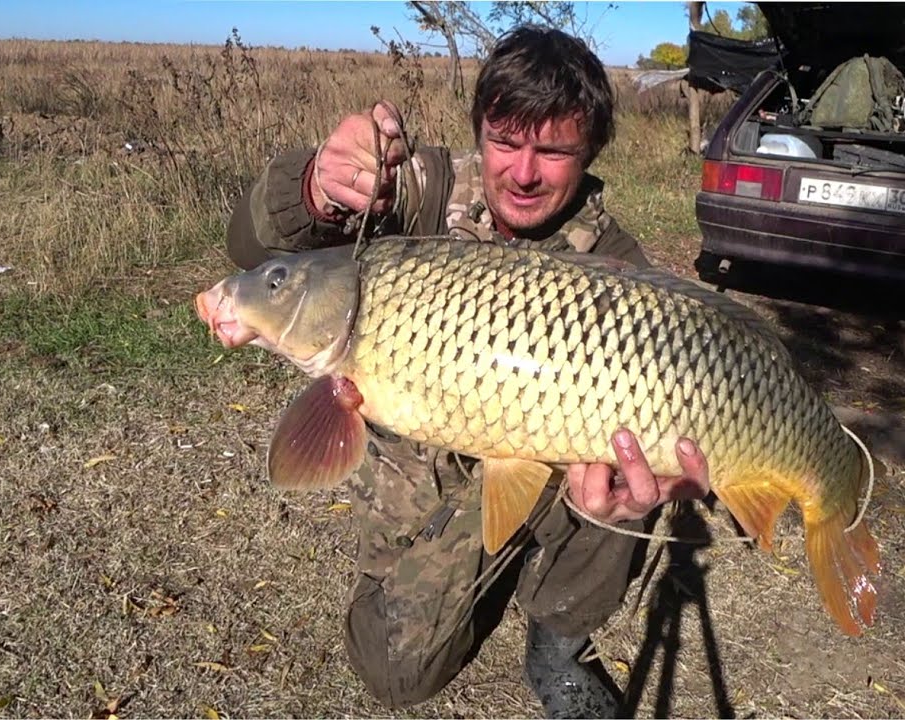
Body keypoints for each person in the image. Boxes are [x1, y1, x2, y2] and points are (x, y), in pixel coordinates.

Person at [225, 25, 711, 718]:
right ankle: (462, 557)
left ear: (592, 152)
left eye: (554, 151)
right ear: (479, 129)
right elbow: (250, 247)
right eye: (506, 142)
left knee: (623, 475)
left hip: (552, 479)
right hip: (430, 486)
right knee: (394, 672)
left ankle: (559, 638)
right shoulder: (417, 190)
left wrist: (630, 508)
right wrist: (316, 188)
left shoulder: (617, 268)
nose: (522, 173)